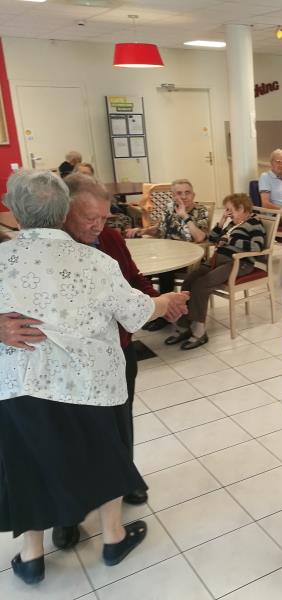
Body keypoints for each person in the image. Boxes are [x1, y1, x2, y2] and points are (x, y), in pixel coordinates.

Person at [0, 170, 189, 584]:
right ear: (63, 212)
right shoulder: (95, 262)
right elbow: (137, 312)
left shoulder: (2, 259)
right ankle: (113, 538)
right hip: (89, 385)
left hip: (19, 387)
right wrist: (169, 301)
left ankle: (31, 558)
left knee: (26, 465)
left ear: (14, 212)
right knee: (103, 456)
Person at [166, 193, 265, 350]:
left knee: (201, 284)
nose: (227, 212)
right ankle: (186, 326)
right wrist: (222, 221)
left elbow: (257, 247)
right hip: (218, 261)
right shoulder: (232, 223)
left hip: (239, 263)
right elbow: (212, 238)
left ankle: (199, 331)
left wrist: (231, 240)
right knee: (190, 279)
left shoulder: (254, 223)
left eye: (229, 209)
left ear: (241, 208)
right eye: (226, 210)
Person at [125, 179, 209, 329]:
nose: (184, 196)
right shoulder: (169, 208)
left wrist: (184, 216)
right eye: (179, 193)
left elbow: (200, 237)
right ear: (173, 196)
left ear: (193, 194)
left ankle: (165, 315)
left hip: (190, 258)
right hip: (167, 254)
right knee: (141, 273)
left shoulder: (200, 210)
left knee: (165, 272)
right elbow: (160, 229)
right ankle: (150, 311)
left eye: (187, 192)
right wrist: (141, 231)